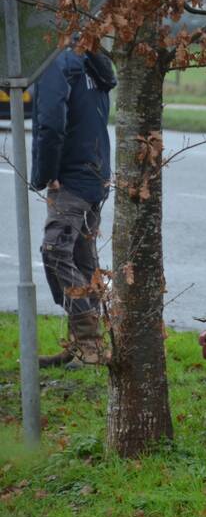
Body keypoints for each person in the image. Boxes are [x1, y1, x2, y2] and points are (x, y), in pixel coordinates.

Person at [30, 47, 117, 367]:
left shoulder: (57, 60)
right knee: (82, 258)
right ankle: (83, 346)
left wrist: (47, 173)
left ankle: (89, 343)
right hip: (94, 172)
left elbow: (51, 122)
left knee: (54, 252)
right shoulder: (90, 59)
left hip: (71, 177)